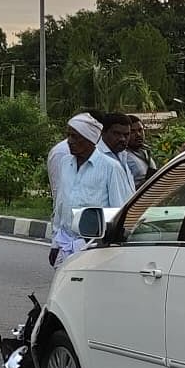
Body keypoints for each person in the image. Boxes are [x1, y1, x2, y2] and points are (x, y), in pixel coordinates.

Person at [50, 113, 132, 265]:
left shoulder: (111, 168)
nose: (69, 141)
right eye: (68, 136)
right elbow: (60, 205)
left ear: (89, 139)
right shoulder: (65, 163)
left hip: (94, 248)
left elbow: (121, 212)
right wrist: (55, 243)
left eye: (75, 137)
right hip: (65, 243)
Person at [122, 115, 154, 184]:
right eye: (133, 132)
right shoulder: (124, 157)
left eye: (140, 130)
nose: (138, 134)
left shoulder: (146, 151)